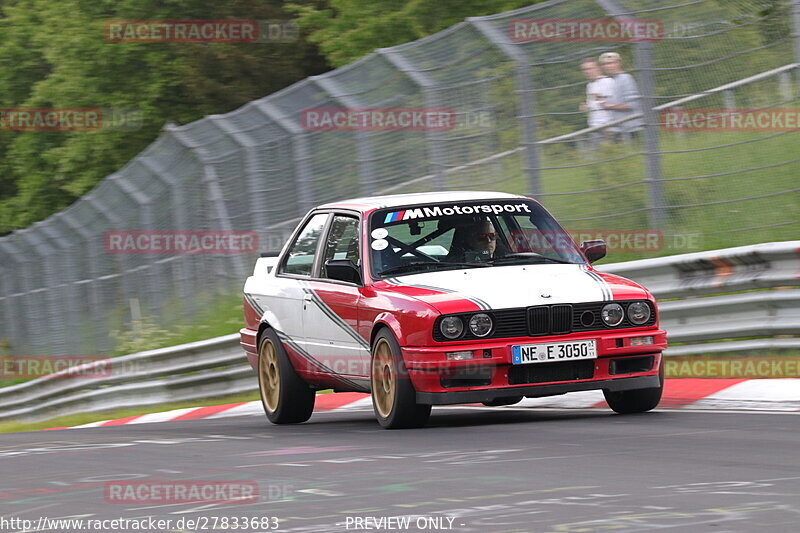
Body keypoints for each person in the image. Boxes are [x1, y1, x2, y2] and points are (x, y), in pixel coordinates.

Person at [598, 52, 643, 140]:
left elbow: (632, 105)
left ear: (619, 63)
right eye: (605, 64)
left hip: (632, 129)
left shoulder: (626, 78)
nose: (607, 66)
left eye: (610, 63)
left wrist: (609, 106)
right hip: (618, 129)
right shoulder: (611, 80)